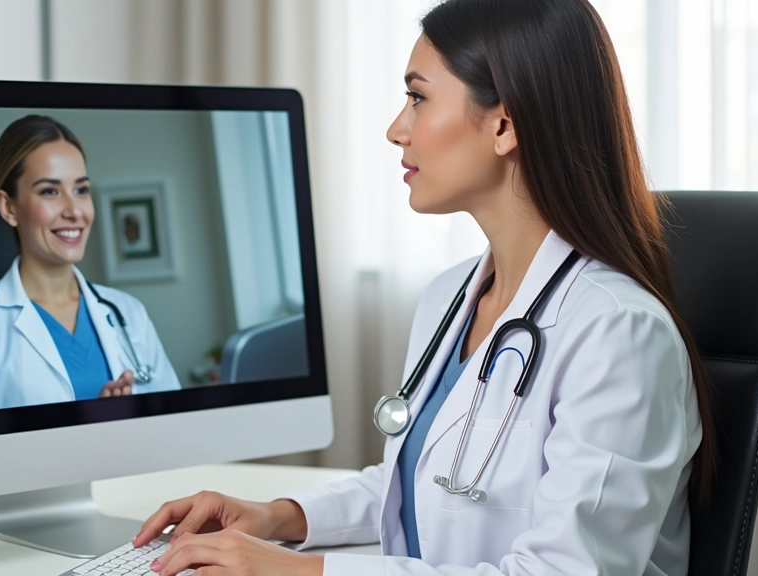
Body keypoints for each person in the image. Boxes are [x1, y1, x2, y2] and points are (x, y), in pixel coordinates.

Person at [129, 0, 717, 575]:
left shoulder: (618, 331)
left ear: (504, 124)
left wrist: (298, 573)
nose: (395, 129)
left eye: (417, 97)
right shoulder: (449, 298)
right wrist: (275, 517)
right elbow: (429, 485)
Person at [0, 115, 181, 416]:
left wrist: (119, 428)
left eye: (81, 190)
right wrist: (89, 433)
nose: (74, 210)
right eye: (50, 191)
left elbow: (173, 429)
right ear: (9, 207)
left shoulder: (127, 311)